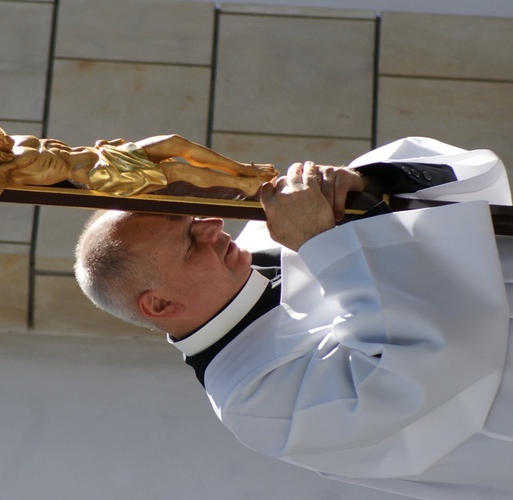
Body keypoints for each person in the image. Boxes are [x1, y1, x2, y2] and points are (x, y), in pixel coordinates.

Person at [74, 137, 513, 499]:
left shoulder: (267, 229)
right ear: (160, 305)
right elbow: (438, 363)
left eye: (194, 217)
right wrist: (324, 242)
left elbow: (474, 181)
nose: (214, 225)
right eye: (190, 240)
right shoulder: (255, 401)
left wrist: (364, 184)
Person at [0, 93, 277, 244]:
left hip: (105, 154)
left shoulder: (12, 139)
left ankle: (241, 170)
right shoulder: (6, 174)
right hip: (102, 176)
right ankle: (248, 188)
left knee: (175, 142)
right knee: (177, 171)